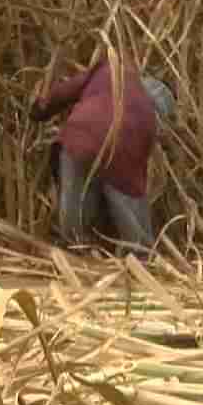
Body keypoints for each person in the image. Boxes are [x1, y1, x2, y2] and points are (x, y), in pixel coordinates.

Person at [30, 51, 174, 256]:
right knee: (127, 201)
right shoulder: (149, 120)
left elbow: (65, 91)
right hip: (116, 152)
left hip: (76, 137)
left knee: (73, 202)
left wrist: (40, 110)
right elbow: (135, 184)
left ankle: (72, 252)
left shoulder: (109, 71)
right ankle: (141, 254)